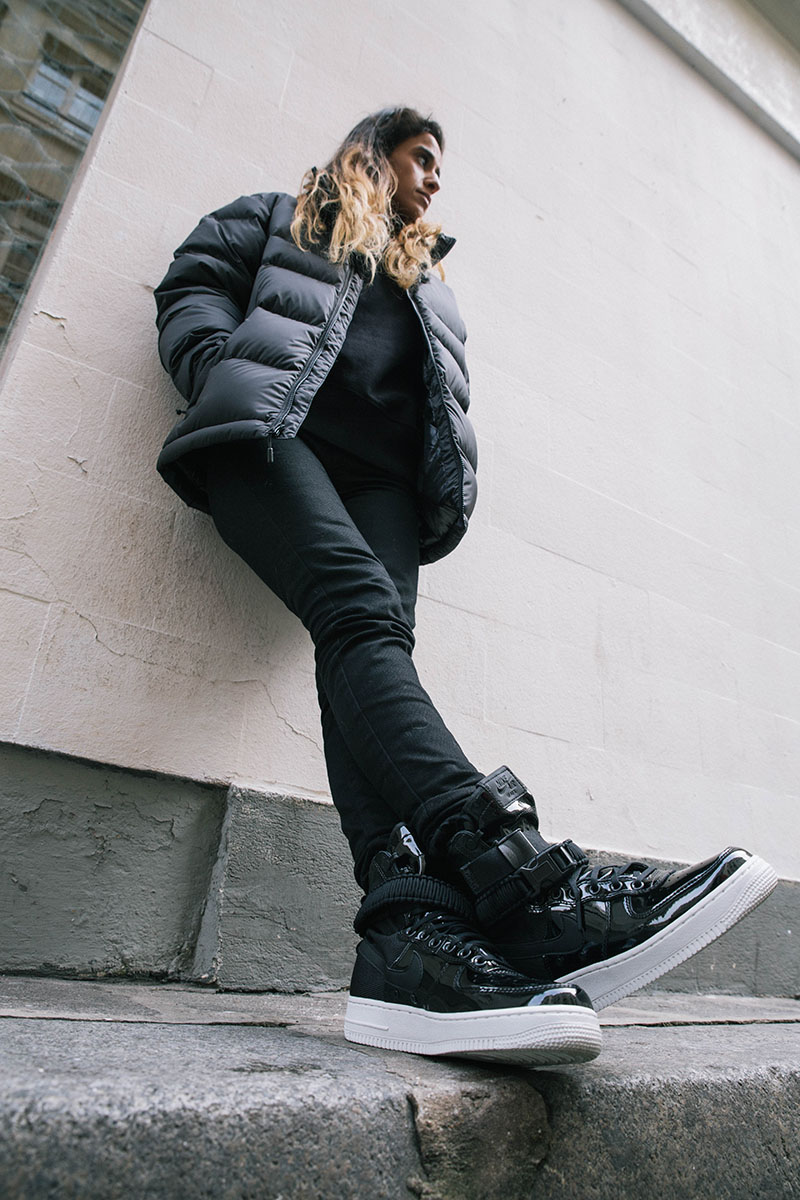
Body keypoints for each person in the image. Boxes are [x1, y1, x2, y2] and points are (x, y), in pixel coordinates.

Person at [154, 107, 776, 1066]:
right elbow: (193, 283)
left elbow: (438, 397)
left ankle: (410, 943)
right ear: (375, 152)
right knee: (360, 618)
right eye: (422, 158)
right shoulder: (281, 216)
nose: (436, 177)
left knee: (368, 651)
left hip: (383, 487)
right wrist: (219, 372)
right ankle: (521, 879)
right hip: (273, 438)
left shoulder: (426, 278)